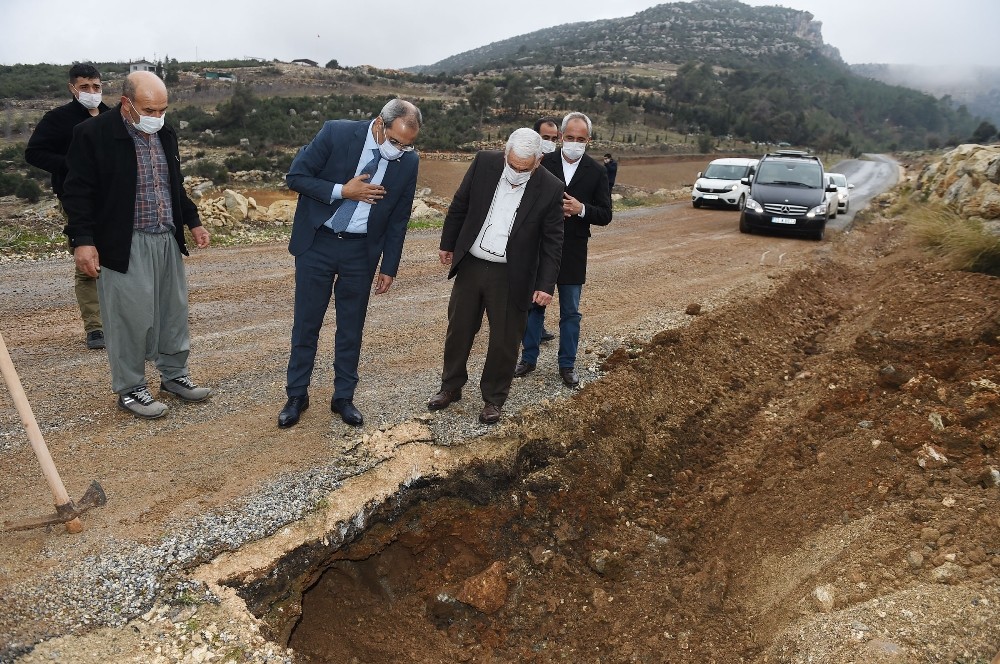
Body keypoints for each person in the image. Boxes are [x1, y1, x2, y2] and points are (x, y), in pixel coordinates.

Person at [62, 71, 212, 420]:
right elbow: (77, 191)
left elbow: (173, 183)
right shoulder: (93, 134)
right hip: (123, 241)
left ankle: (174, 377)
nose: (157, 117)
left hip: (165, 238)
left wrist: (193, 220)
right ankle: (130, 389)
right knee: (130, 319)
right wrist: (82, 241)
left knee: (171, 314)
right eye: (150, 109)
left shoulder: (165, 132)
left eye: (162, 110)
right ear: (126, 103)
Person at [278, 99, 422, 429]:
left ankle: (343, 396)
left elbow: (400, 217)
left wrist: (389, 266)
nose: (398, 150)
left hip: (361, 252)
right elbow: (296, 176)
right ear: (379, 124)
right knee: (306, 324)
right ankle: (297, 395)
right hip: (318, 243)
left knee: (351, 328)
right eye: (395, 141)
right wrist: (343, 191)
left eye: (407, 145)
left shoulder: (408, 162)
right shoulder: (336, 133)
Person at [427, 128, 564, 425]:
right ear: (505, 154)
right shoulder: (484, 163)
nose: (516, 172)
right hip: (473, 264)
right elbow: (460, 204)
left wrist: (545, 285)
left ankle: (494, 398)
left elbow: (553, 241)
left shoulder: (551, 188)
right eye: (512, 165)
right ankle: (450, 387)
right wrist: (447, 244)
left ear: (538, 161)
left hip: (512, 273)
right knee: (459, 329)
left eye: (523, 168)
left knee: (504, 339)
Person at [514, 112, 613, 388]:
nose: (574, 143)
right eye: (569, 138)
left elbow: (605, 214)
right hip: (541, 247)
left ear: (588, 140)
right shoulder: (544, 164)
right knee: (534, 306)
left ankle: (567, 364)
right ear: (560, 137)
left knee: (570, 311)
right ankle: (528, 358)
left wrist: (581, 209)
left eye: (580, 139)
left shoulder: (597, 171)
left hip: (573, 251)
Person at [25, 63, 111, 350]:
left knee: (121, 255)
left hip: (113, 199)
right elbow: (34, 152)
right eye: (85, 87)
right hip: (76, 198)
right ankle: (96, 328)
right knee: (86, 257)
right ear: (72, 88)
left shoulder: (113, 116)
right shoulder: (58, 119)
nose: (91, 92)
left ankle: (122, 320)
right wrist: (71, 166)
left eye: (96, 86)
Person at [533, 116, 560, 343]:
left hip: (546, 235)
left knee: (541, 282)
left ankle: (537, 329)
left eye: (554, 138)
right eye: (545, 138)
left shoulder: (557, 166)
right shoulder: (523, 160)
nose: (550, 143)